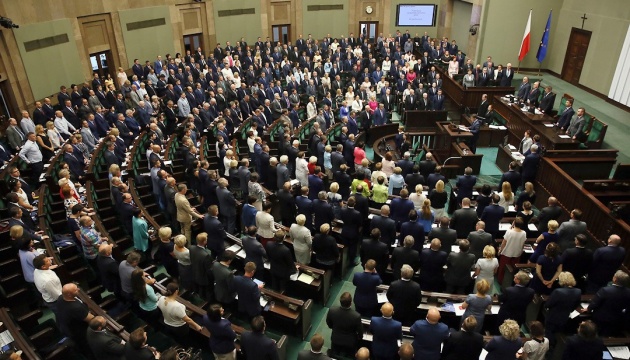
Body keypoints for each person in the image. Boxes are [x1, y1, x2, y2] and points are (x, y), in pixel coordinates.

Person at [544, 272, 582, 347]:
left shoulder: (558, 292)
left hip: (553, 316)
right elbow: (576, 305)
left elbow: (548, 304)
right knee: (558, 332)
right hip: (565, 316)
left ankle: (550, 347)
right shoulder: (578, 291)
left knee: (549, 332)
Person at [588, 270, 630, 336]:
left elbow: (594, 303)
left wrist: (588, 309)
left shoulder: (605, 290)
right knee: (606, 334)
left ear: (615, 279)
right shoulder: (628, 292)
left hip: (600, 317)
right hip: (616, 318)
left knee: (595, 332)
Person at [56, 283, 95, 354]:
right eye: (75, 290)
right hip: (79, 332)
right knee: (86, 348)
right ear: (69, 295)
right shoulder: (76, 308)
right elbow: (91, 319)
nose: (78, 289)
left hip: (67, 327)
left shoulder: (61, 297)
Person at [326, 292, 363, 358]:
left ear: (340, 301)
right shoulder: (356, 316)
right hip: (350, 342)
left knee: (334, 356)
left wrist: (334, 328)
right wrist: (360, 338)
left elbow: (329, 323)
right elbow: (359, 331)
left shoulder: (332, 310)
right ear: (351, 302)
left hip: (336, 339)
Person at [497, 217, 527, 283]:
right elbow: (523, 244)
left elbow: (503, 243)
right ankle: (511, 281)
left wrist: (500, 251)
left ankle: (500, 280)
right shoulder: (524, 233)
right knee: (513, 268)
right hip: (517, 253)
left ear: (514, 223)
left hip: (507, 253)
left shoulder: (509, 231)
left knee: (502, 268)